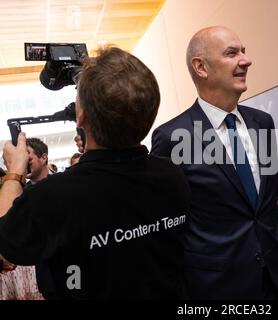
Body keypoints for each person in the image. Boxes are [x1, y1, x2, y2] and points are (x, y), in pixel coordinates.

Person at [0, 47, 190, 299]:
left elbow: (8, 242)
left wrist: (14, 172)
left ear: (81, 116)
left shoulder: (55, 196)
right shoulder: (172, 175)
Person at [151, 26, 278, 300]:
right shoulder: (172, 138)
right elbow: (165, 231)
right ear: (201, 67)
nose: (246, 60)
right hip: (217, 288)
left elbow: (266, 206)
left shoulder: (263, 124)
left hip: (277, 279)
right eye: (232, 53)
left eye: (243, 51)